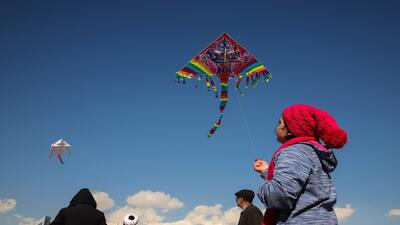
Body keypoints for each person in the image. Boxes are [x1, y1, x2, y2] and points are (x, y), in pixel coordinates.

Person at [253, 104, 347, 225]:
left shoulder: (294, 152)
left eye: (280, 123)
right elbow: (296, 182)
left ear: (291, 131)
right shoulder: (309, 152)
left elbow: (280, 195)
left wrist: (263, 189)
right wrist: (267, 171)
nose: (276, 127)